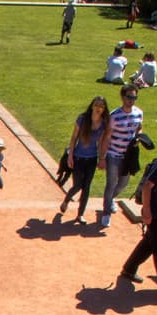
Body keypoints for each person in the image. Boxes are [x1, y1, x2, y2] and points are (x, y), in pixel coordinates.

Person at [119, 153, 157, 302]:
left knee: (149, 243)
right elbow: (147, 186)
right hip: (155, 214)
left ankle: (129, 269)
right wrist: (146, 209)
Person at [59, 96, 110, 225]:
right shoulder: (82, 119)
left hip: (91, 159)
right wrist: (70, 156)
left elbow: (100, 142)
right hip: (78, 157)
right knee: (78, 185)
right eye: (96, 105)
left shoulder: (103, 124)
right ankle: (66, 200)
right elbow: (73, 138)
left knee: (87, 187)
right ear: (92, 106)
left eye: (101, 106)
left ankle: (80, 214)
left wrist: (101, 158)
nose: (99, 108)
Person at [100, 84, 142, 228]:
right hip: (113, 155)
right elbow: (106, 137)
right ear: (123, 97)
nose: (132, 100)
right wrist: (102, 157)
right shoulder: (115, 115)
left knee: (123, 183)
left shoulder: (138, 113)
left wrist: (139, 139)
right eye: (129, 97)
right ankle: (106, 213)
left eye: (134, 97)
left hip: (128, 157)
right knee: (111, 184)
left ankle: (110, 199)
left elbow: (139, 129)